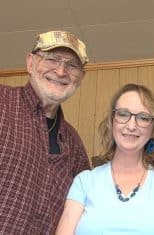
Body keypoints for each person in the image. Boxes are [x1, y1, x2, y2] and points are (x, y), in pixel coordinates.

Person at [55, 83, 154, 235]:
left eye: (143, 118)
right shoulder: (84, 182)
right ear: (112, 121)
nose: (131, 126)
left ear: (153, 129)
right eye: (123, 114)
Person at [0, 31, 91, 234]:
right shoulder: (2, 102)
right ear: (30, 63)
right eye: (51, 58)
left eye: (72, 65)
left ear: (81, 78)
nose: (60, 71)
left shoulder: (75, 144)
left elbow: (82, 214)